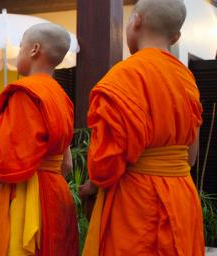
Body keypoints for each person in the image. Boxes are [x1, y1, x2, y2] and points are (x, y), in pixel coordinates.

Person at [80, 0, 204, 255]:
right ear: (176, 35)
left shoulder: (122, 76)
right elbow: (190, 157)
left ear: (135, 21)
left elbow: (105, 166)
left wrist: (92, 186)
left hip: (137, 202)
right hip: (182, 198)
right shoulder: (187, 79)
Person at [0, 23, 78, 256]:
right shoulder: (61, 96)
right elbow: (67, 163)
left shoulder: (25, 92)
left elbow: (12, 155)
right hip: (56, 194)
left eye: (20, 47)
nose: (18, 53)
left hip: (26, 191)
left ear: (34, 50)